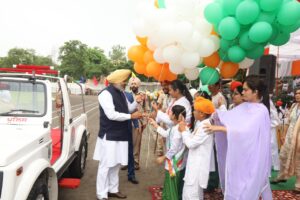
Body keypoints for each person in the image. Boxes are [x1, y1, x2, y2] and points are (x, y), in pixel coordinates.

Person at [204, 75, 273, 200]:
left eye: (246, 90)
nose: (243, 92)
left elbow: (245, 132)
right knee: (240, 184)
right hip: (241, 154)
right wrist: (218, 115)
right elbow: (231, 118)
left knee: (249, 186)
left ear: (255, 92)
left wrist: (219, 128)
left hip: (253, 156)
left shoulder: (261, 111)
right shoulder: (245, 106)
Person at [93, 69, 143, 200]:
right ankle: (102, 193)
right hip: (109, 134)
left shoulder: (121, 93)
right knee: (105, 165)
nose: (125, 84)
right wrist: (131, 116)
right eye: (124, 82)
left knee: (116, 164)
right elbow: (111, 114)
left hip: (121, 134)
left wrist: (136, 102)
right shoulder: (105, 94)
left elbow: (128, 109)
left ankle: (113, 189)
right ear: (117, 81)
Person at [178, 97, 215, 200]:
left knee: (191, 195)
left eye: (195, 110)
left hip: (197, 167)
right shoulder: (201, 123)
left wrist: (183, 131)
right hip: (195, 165)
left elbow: (190, 143)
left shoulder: (205, 127)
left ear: (202, 114)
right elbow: (193, 138)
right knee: (191, 194)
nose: (193, 112)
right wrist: (184, 127)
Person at [149, 105, 188, 200]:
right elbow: (167, 133)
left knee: (172, 187)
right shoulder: (176, 127)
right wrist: (155, 124)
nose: (168, 114)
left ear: (174, 116)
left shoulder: (178, 129)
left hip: (174, 163)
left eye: (170, 112)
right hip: (175, 162)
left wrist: (163, 158)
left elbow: (174, 149)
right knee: (172, 185)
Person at [271, 87, 300, 194]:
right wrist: (283, 134)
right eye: (296, 93)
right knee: (283, 155)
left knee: (298, 160)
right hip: (289, 136)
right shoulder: (293, 106)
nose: (297, 95)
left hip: (299, 138)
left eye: (299, 93)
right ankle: (282, 176)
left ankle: (298, 185)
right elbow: (287, 122)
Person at [128, 76, 147, 170]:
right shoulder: (126, 95)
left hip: (138, 122)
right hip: (127, 120)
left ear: (138, 85)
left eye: (135, 83)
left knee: (136, 143)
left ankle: (135, 161)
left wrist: (145, 122)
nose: (133, 85)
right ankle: (127, 161)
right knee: (127, 142)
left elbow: (145, 109)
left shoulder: (143, 95)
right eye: (132, 83)